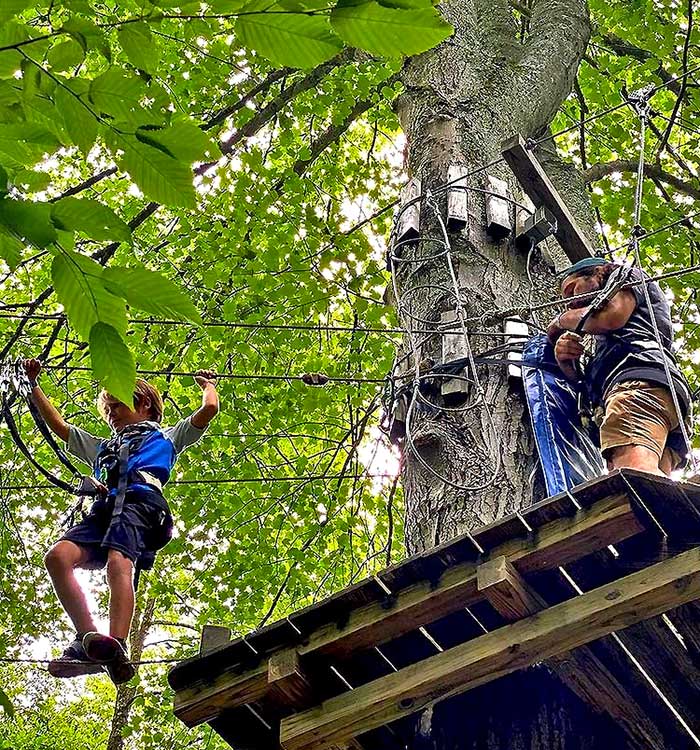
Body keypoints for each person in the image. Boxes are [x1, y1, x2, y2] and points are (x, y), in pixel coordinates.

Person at [23, 359, 220, 684]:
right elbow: (60, 427)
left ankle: (117, 642)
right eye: (108, 409)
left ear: (144, 404)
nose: (111, 414)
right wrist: (33, 385)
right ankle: (89, 640)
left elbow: (209, 409)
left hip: (141, 504)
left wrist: (207, 384)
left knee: (119, 562)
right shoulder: (102, 448)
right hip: (104, 509)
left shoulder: (167, 438)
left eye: (117, 405)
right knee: (57, 557)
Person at [547, 257, 692, 477]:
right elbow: (587, 384)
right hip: (655, 392)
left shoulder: (627, 276)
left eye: (571, 289)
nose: (570, 302)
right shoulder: (610, 343)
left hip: (638, 386)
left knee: (634, 475)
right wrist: (569, 364)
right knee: (653, 497)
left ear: (597, 273)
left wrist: (559, 321)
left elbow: (611, 317)